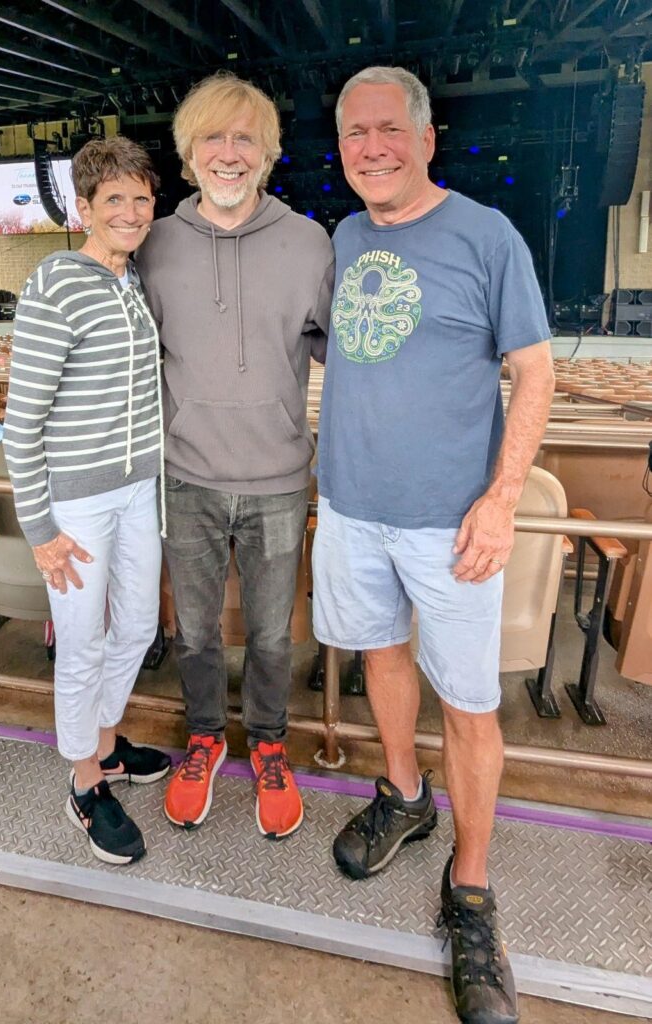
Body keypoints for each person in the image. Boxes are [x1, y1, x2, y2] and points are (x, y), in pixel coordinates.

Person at [313, 67, 555, 1024]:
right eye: (354, 134)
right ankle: (406, 796)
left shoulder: (488, 236)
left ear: (425, 139)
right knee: (381, 656)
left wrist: (502, 499)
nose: (370, 148)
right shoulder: (345, 236)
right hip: (353, 508)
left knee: (468, 703)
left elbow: (534, 372)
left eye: (388, 130)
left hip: (452, 523)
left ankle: (473, 888)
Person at [137, 72, 334, 840]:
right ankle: (205, 738)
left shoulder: (309, 242)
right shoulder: (155, 244)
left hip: (278, 480)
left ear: (268, 152)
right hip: (185, 476)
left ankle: (270, 743)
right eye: (212, 138)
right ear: (189, 153)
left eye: (244, 138)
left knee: (273, 635)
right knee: (193, 632)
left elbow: (345, 352)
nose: (228, 153)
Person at [3, 136, 171, 866]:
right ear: (84, 207)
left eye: (141, 198)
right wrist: (41, 529)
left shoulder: (134, 281)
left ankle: (103, 744)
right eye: (114, 200)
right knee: (82, 643)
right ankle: (84, 782)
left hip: (138, 493)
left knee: (135, 627)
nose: (131, 212)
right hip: (78, 504)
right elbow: (21, 423)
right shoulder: (57, 281)